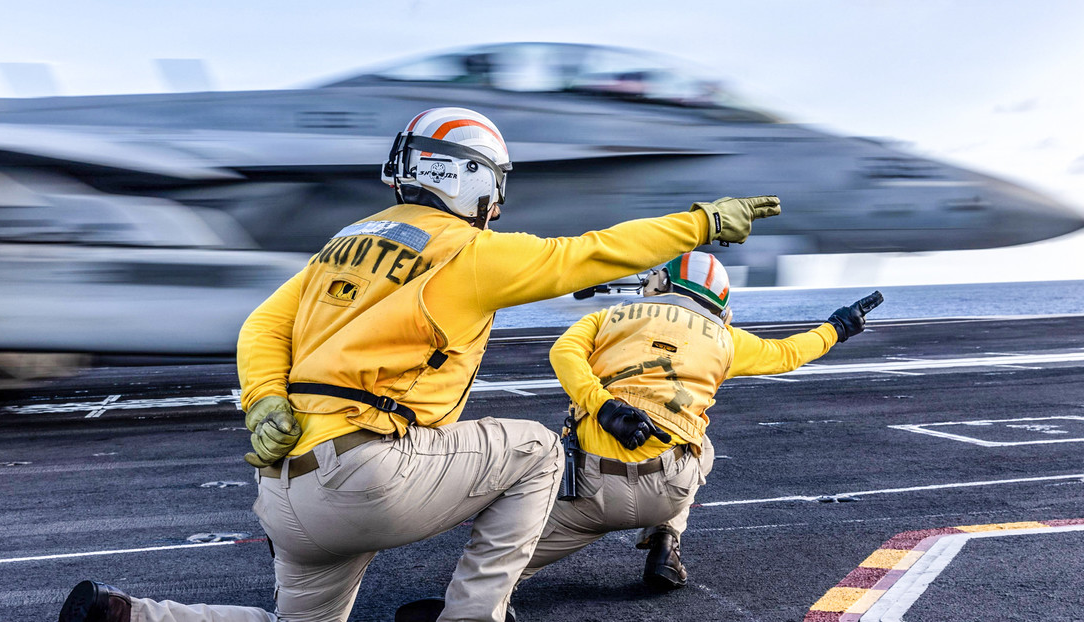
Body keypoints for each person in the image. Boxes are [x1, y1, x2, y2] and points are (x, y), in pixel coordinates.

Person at [59, 107, 780, 622]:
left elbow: (263, 324)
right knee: (534, 450)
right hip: (370, 474)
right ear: (469, 179)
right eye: (493, 185)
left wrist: (264, 402)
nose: (496, 204)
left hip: (287, 488)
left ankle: (129, 614)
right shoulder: (466, 250)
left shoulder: (344, 241)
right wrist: (701, 223)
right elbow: (586, 253)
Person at [518, 251, 881, 592]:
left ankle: (491, 597)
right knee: (700, 445)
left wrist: (604, 407)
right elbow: (788, 353)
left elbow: (563, 353)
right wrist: (838, 327)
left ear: (662, 284)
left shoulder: (606, 317)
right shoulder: (727, 340)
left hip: (589, 492)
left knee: (503, 563)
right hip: (666, 490)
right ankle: (666, 541)